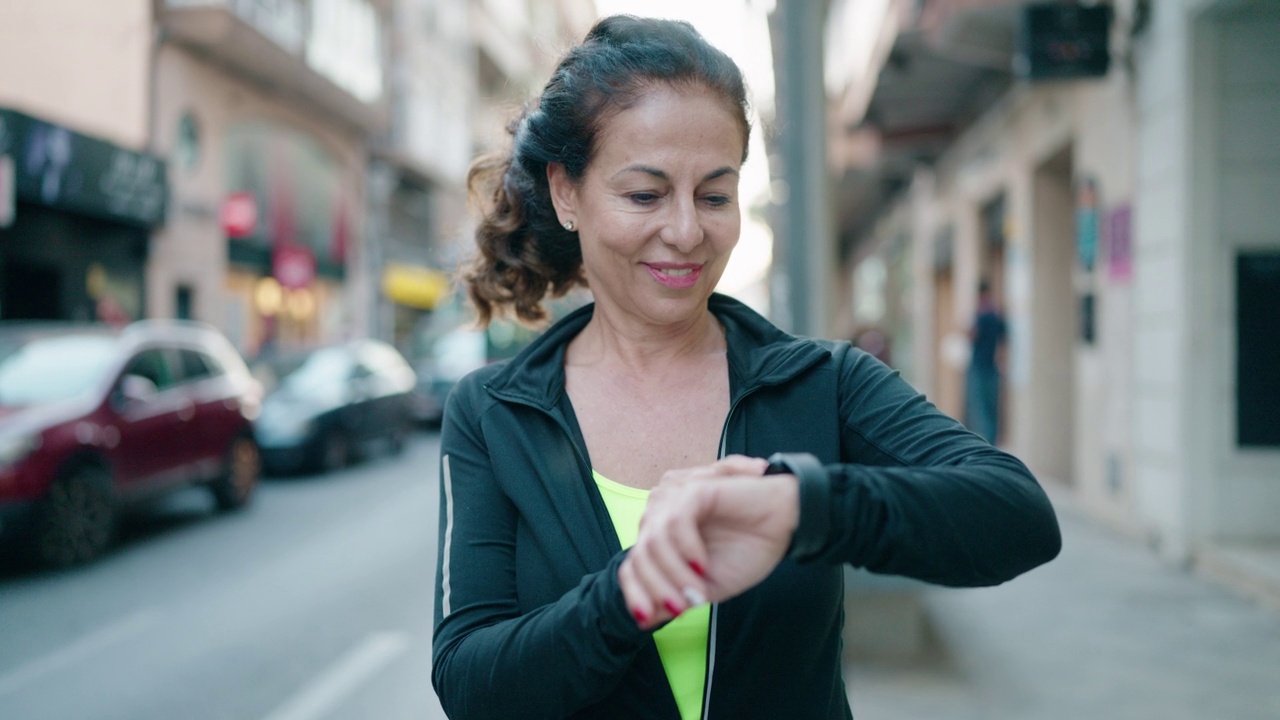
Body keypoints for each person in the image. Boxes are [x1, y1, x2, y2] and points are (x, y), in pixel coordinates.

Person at [433, 15, 1060, 720]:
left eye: (714, 195)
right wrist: (630, 594)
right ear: (567, 193)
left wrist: (799, 503)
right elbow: (470, 683)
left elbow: (1019, 517)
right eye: (645, 194)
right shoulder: (493, 412)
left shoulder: (820, 382)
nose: (687, 232)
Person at [966, 280, 1007, 445]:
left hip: (980, 368)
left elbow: (972, 335)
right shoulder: (997, 315)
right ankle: (991, 443)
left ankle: (984, 444)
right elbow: (1004, 342)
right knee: (992, 409)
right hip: (993, 368)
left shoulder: (981, 315)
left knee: (980, 409)